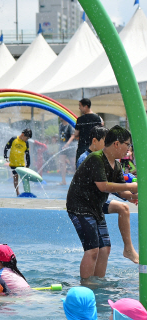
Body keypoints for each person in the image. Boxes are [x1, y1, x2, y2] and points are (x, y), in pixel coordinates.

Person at [67, 126, 137, 280]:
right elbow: (103, 186)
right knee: (92, 250)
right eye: (128, 144)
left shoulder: (116, 165)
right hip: (80, 207)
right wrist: (131, 186)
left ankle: (98, 283)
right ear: (117, 144)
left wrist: (134, 195)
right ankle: (86, 286)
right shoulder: (96, 158)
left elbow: (121, 192)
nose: (129, 149)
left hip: (95, 207)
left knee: (105, 249)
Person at [64, 98, 104, 163]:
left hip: (83, 147)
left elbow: (76, 133)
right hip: (95, 146)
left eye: (80, 106)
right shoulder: (97, 118)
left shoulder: (80, 119)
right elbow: (102, 127)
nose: (79, 108)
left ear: (85, 106)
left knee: (81, 166)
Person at [4, 129, 32, 196]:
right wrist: (5, 156)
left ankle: (27, 191)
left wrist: (28, 164)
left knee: (24, 178)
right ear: (22, 134)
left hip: (21, 164)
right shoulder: (13, 139)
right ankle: (17, 192)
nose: (27, 139)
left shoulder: (26, 143)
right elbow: (6, 147)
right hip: (13, 163)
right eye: (27, 138)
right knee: (15, 177)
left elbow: (27, 154)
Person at [58, 118, 75, 185]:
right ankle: (63, 180)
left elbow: (73, 136)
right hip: (62, 146)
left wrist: (67, 144)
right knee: (62, 163)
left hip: (69, 146)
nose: (59, 117)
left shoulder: (69, 125)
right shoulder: (60, 125)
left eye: (61, 116)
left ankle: (78, 179)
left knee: (73, 164)